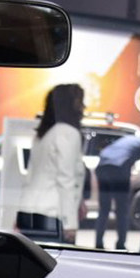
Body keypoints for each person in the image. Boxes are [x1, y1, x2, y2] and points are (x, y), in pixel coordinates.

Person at [19, 84, 86, 243]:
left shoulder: (43, 134)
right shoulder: (68, 133)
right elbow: (65, 179)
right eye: (80, 102)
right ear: (69, 104)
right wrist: (70, 223)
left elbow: (30, 176)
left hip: (27, 211)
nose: (84, 107)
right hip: (51, 214)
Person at [94, 133, 140, 250]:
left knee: (104, 208)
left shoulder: (130, 139)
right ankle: (121, 244)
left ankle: (98, 243)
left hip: (102, 166)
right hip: (118, 168)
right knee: (122, 209)